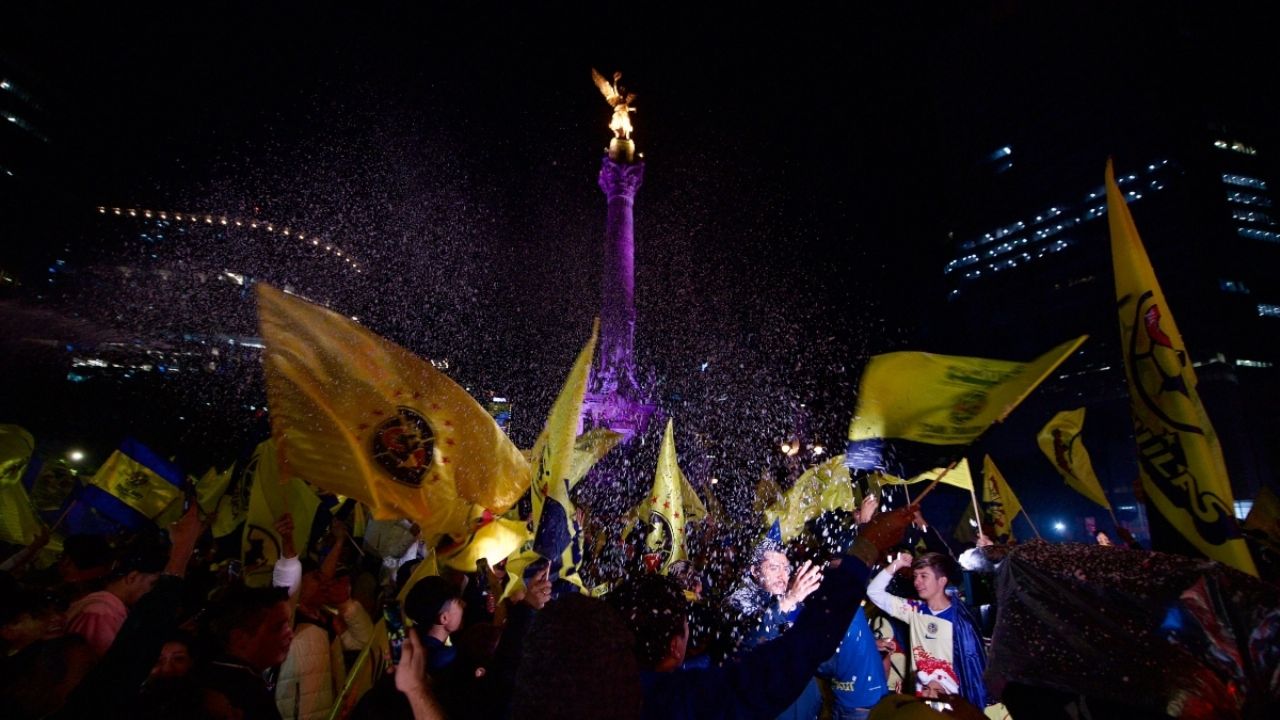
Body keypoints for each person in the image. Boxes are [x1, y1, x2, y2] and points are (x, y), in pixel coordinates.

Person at [509, 505, 916, 720]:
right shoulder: (677, 703)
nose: (782, 571)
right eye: (771, 566)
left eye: (784, 563)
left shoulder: (556, 694)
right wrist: (866, 548)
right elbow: (791, 657)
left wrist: (524, 619)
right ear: (676, 645)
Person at [866, 552, 988, 709]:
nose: (917, 582)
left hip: (953, 703)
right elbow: (874, 592)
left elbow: (973, 669)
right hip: (921, 699)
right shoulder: (914, 610)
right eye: (915, 576)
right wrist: (897, 564)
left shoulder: (960, 619)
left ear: (942, 581)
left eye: (924, 576)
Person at [198, 585, 294, 720]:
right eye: (278, 627)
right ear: (239, 638)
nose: (290, 634)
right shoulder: (246, 695)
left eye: (288, 624)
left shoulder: (213, 674)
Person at [65, 536, 169, 657]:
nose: (154, 591)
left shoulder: (106, 608)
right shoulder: (101, 613)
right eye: (152, 583)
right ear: (132, 577)